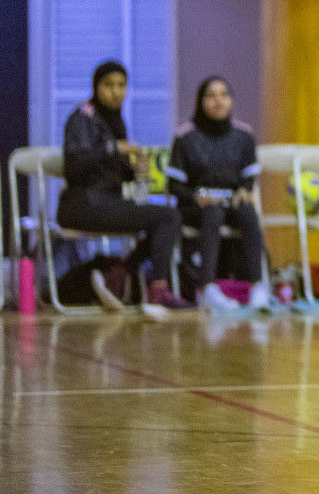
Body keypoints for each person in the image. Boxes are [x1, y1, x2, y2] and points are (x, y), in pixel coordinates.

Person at [58, 61, 191, 313]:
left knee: (168, 218)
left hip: (107, 201)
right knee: (168, 217)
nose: (116, 92)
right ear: (96, 87)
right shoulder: (81, 118)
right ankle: (156, 289)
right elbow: (74, 165)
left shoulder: (114, 122)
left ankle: (123, 270)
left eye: (121, 85)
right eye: (108, 85)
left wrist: (136, 174)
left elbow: (111, 173)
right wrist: (114, 148)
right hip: (81, 204)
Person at [166, 76, 269, 312]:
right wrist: (196, 196)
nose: (218, 101)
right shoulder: (185, 136)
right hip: (197, 205)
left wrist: (245, 191)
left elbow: (248, 178)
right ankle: (207, 288)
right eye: (211, 96)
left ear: (231, 101)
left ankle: (258, 286)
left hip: (230, 202)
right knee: (213, 212)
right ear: (201, 101)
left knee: (248, 211)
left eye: (223, 95)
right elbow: (173, 185)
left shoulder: (244, 135)